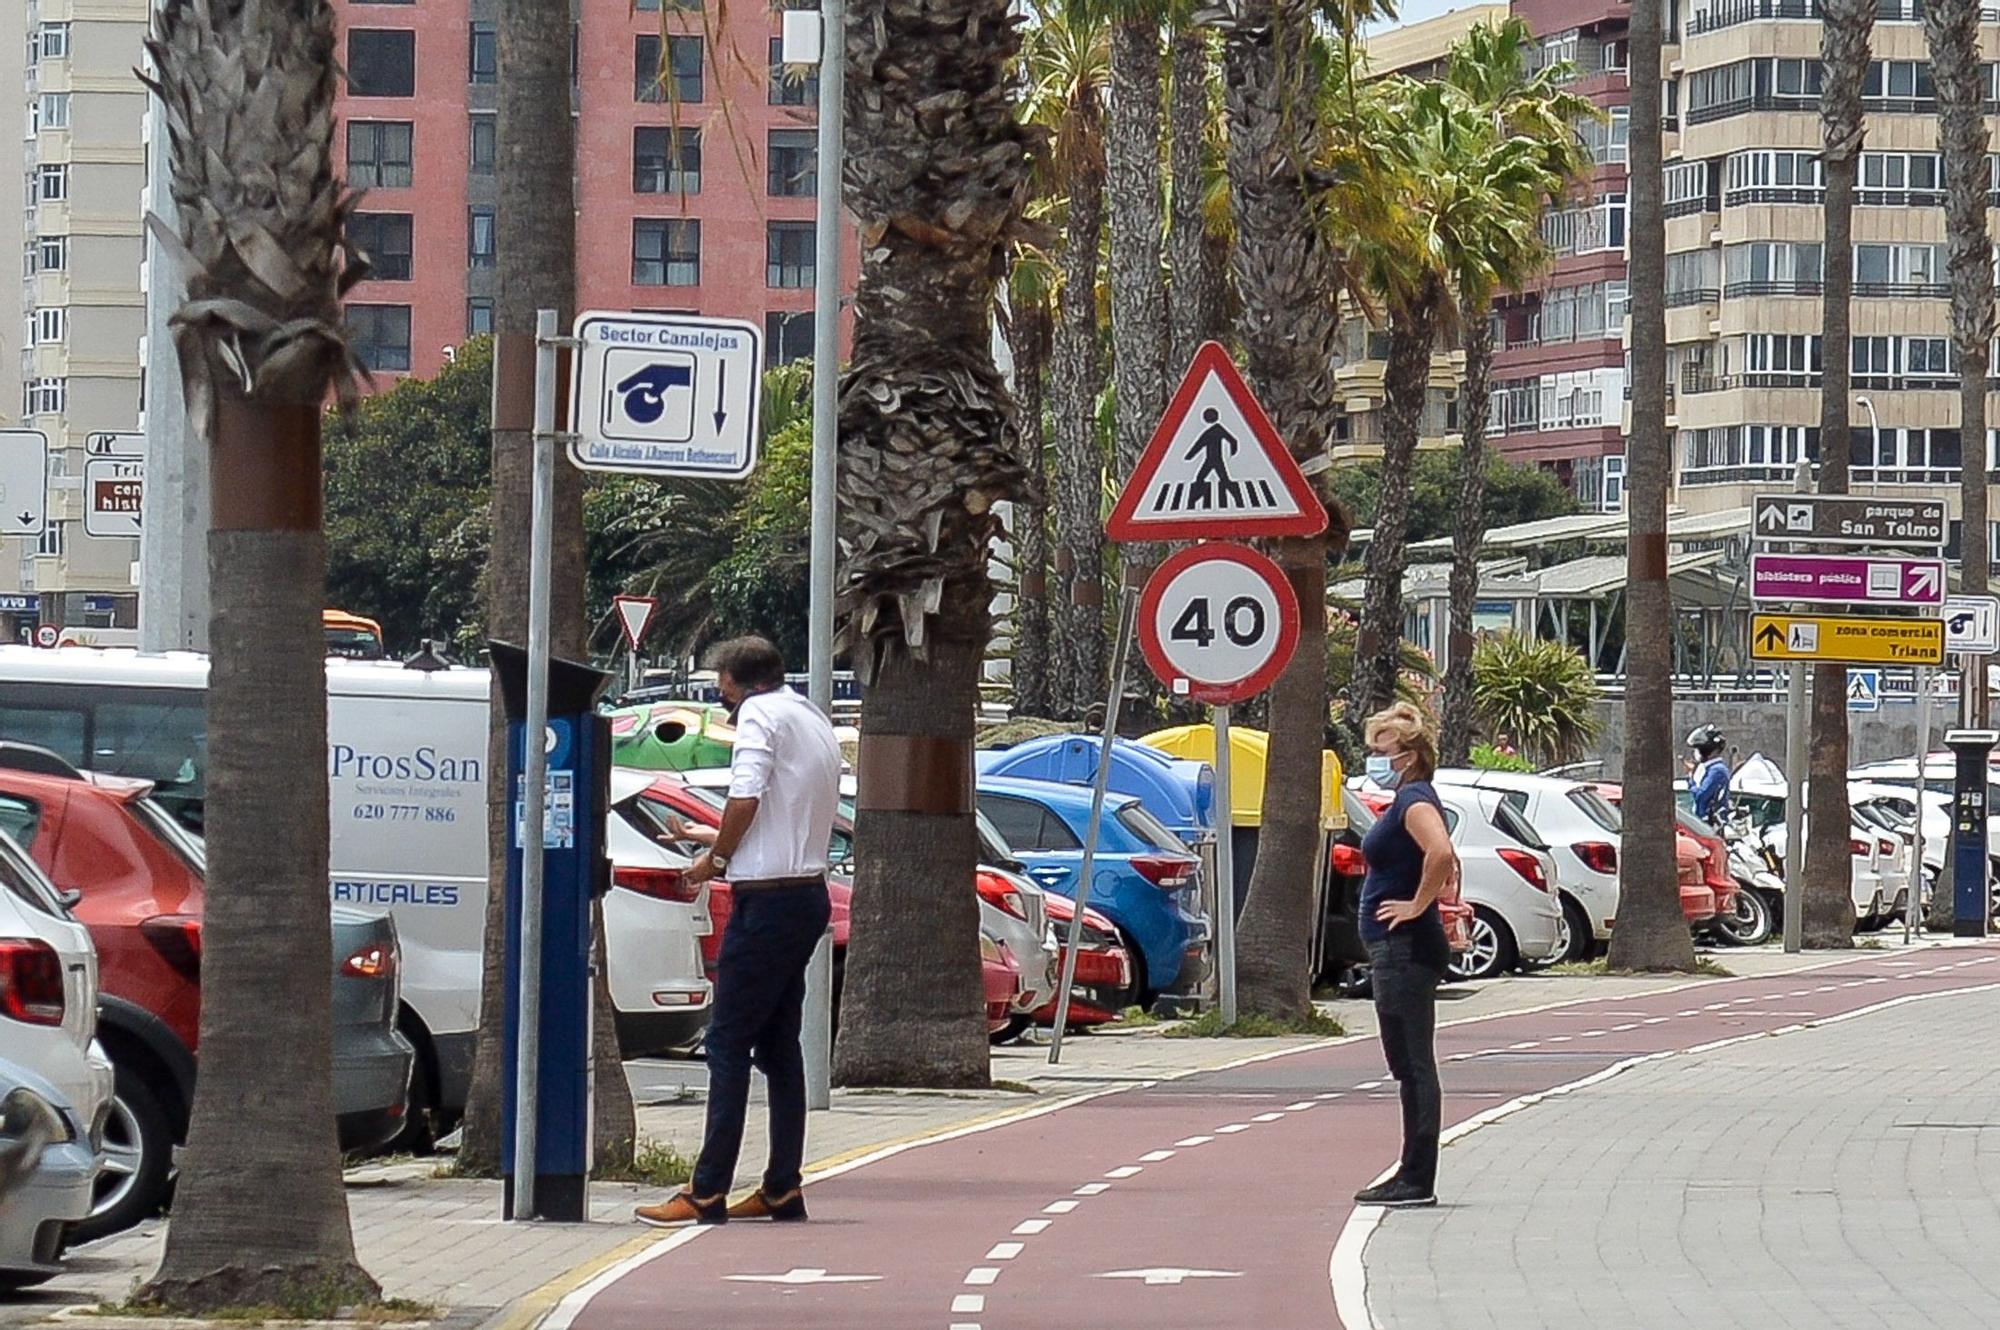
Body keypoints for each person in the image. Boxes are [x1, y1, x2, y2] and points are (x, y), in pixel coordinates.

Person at [636, 636, 841, 1227]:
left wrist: (714, 862)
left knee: (726, 1043)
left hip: (768, 904)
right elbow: (784, 812)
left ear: (740, 680)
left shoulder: (756, 715)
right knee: (779, 1048)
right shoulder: (807, 715)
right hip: (805, 894)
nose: (717, 694)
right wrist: (709, 837)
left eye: (720, 681)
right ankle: (782, 1186)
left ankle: (706, 1191)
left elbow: (747, 796)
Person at [1353, 701, 1457, 1209]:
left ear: (1407, 755)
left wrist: (1417, 904)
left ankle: (1417, 1178)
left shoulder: (1415, 799)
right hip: (1393, 948)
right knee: (1405, 1062)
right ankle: (1410, 1171)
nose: (1374, 755)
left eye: (1381, 748)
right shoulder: (1404, 799)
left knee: (1413, 1062)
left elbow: (1440, 852)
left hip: (1405, 949)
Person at [1686, 723, 1731, 824]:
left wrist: (1690, 779)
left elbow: (1701, 796)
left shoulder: (1717, 771)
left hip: (1710, 824)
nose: (1696, 753)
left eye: (1699, 749)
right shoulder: (1706, 768)